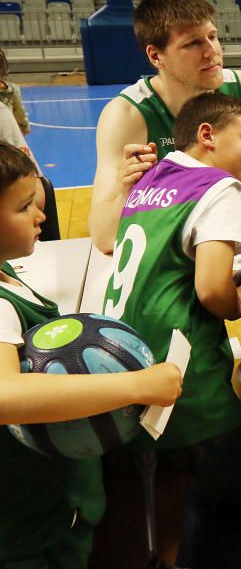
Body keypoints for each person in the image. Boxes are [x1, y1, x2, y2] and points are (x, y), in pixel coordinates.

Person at [101, 93, 241, 568]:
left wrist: (232, 281)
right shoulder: (220, 187)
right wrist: (238, 299)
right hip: (183, 373)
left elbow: (170, 266)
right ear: (207, 135)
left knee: (204, 486)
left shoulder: (152, 178)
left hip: (125, 358)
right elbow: (208, 291)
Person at [0, 141, 182, 567]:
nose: (41, 216)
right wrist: (136, 384)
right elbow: (5, 395)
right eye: (25, 207)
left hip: (46, 498)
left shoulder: (7, 270)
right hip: (26, 523)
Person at [89, 0, 241, 254]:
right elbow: (104, 238)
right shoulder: (126, 115)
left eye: (212, 37)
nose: (211, 51)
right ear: (156, 56)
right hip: (171, 259)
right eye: (192, 44)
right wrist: (125, 193)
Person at [0, 48, 30, 136]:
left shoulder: (11, 91)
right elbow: (20, 113)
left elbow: (20, 112)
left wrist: (24, 126)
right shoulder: (12, 91)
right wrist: (24, 127)